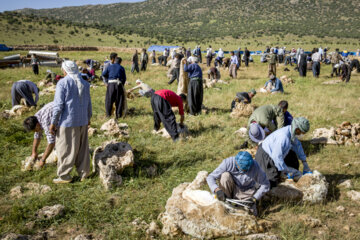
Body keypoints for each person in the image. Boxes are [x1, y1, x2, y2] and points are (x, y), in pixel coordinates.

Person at [49, 60, 92, 184]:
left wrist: (53, 122)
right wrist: (88, 118)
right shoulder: (85, 83)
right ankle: (84, 173)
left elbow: (58, 106)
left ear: (65, 70)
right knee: (82, 148)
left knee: (66, 148)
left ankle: (64, 175)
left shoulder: (62, 83)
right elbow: (89, 104)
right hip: (83, 120)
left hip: (67, 121)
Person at [206, 151, 270, 216]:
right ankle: (224, 203)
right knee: (225, 176)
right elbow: (210, 177)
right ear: (236, 162)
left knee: (251, 216)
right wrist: (217, 190)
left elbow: (265, 184)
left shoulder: (255, 166)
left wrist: (255, 198)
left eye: (245, 170)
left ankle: (241, 207)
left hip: (246, 192)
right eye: (241, 169)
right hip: (230, 187)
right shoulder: (228, 162)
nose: (243, 172)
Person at [254, 117, 311, 188]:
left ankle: (283, 172)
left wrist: (304, 162)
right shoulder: (284, 137)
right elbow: (276, 157)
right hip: (265, 155)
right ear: (297, 129)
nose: (303, 134)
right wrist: (286, 170)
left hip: (275, 152)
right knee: (271, 181)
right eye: (302, 132)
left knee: (293, 160)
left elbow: (297, 145)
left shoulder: (291, 132)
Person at [23, 102, 56, 168]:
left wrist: (43, 160)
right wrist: (34, 152)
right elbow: (37, 135)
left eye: (35, 130)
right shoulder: (36, 118)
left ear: (37, 125)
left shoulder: (45, 122)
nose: (36, 132)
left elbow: (52, 142)